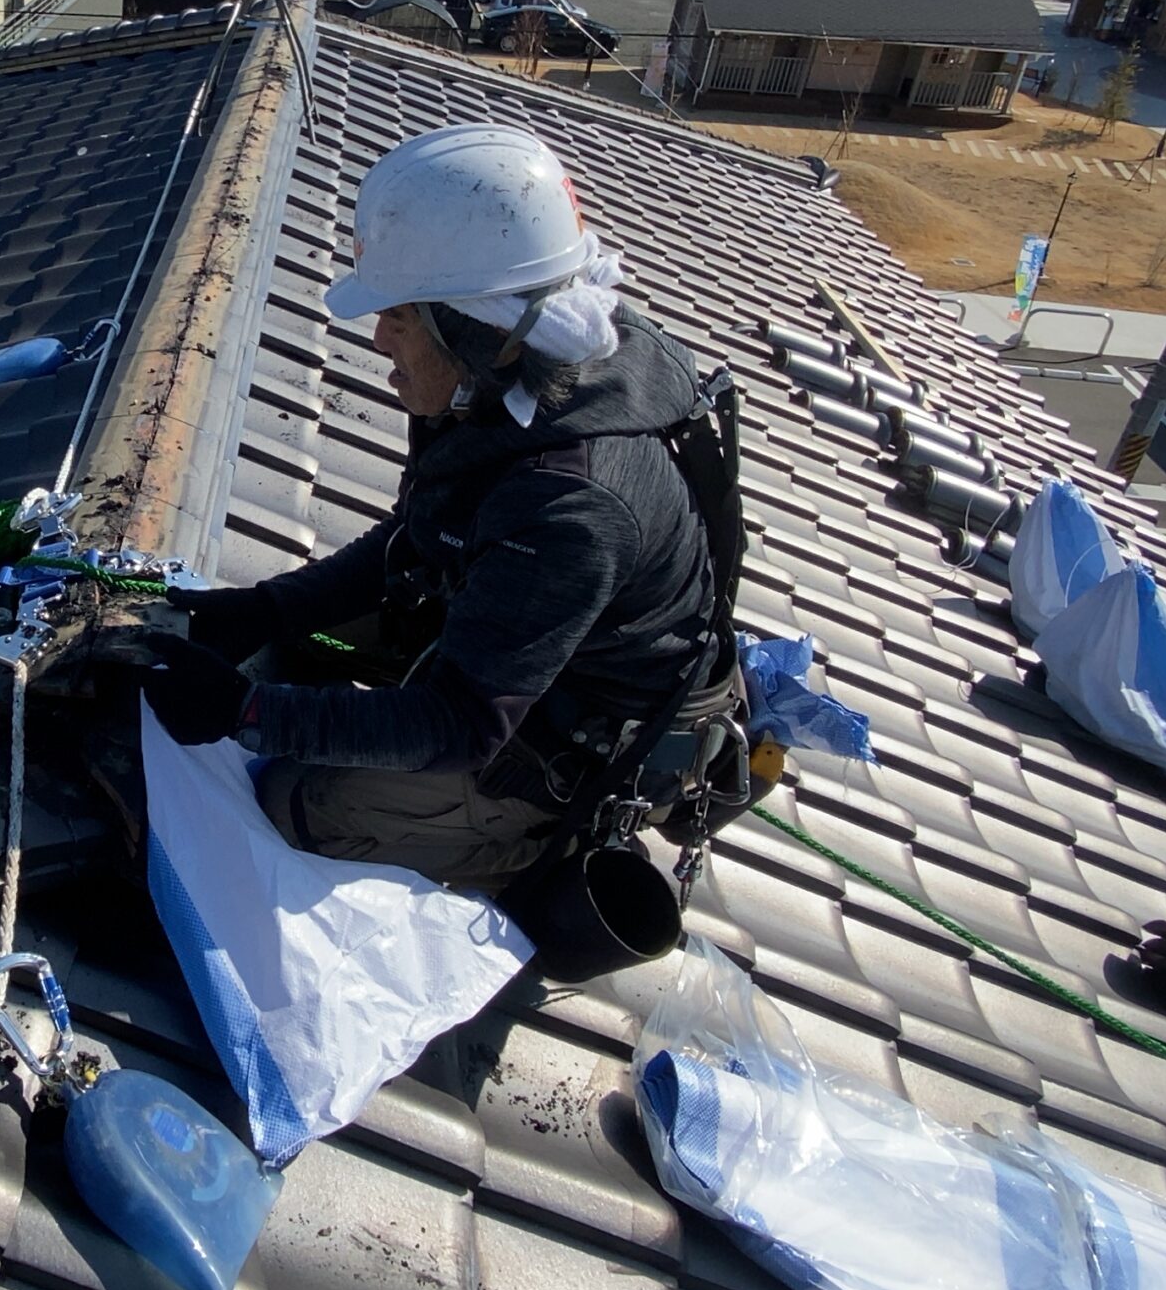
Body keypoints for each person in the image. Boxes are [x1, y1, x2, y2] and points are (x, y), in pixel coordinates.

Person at [138, 122, 743, 972]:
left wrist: (243, 713)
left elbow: (458, 723)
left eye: (396, 316)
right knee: (290, 643)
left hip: (565, 736)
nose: (379, 338)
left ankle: (523, 846)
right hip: (524, 631)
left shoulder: (570, 503)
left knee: (294, 802)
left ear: (470, 327)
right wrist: (262, 609)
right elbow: (415, 542)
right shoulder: (511, 385)